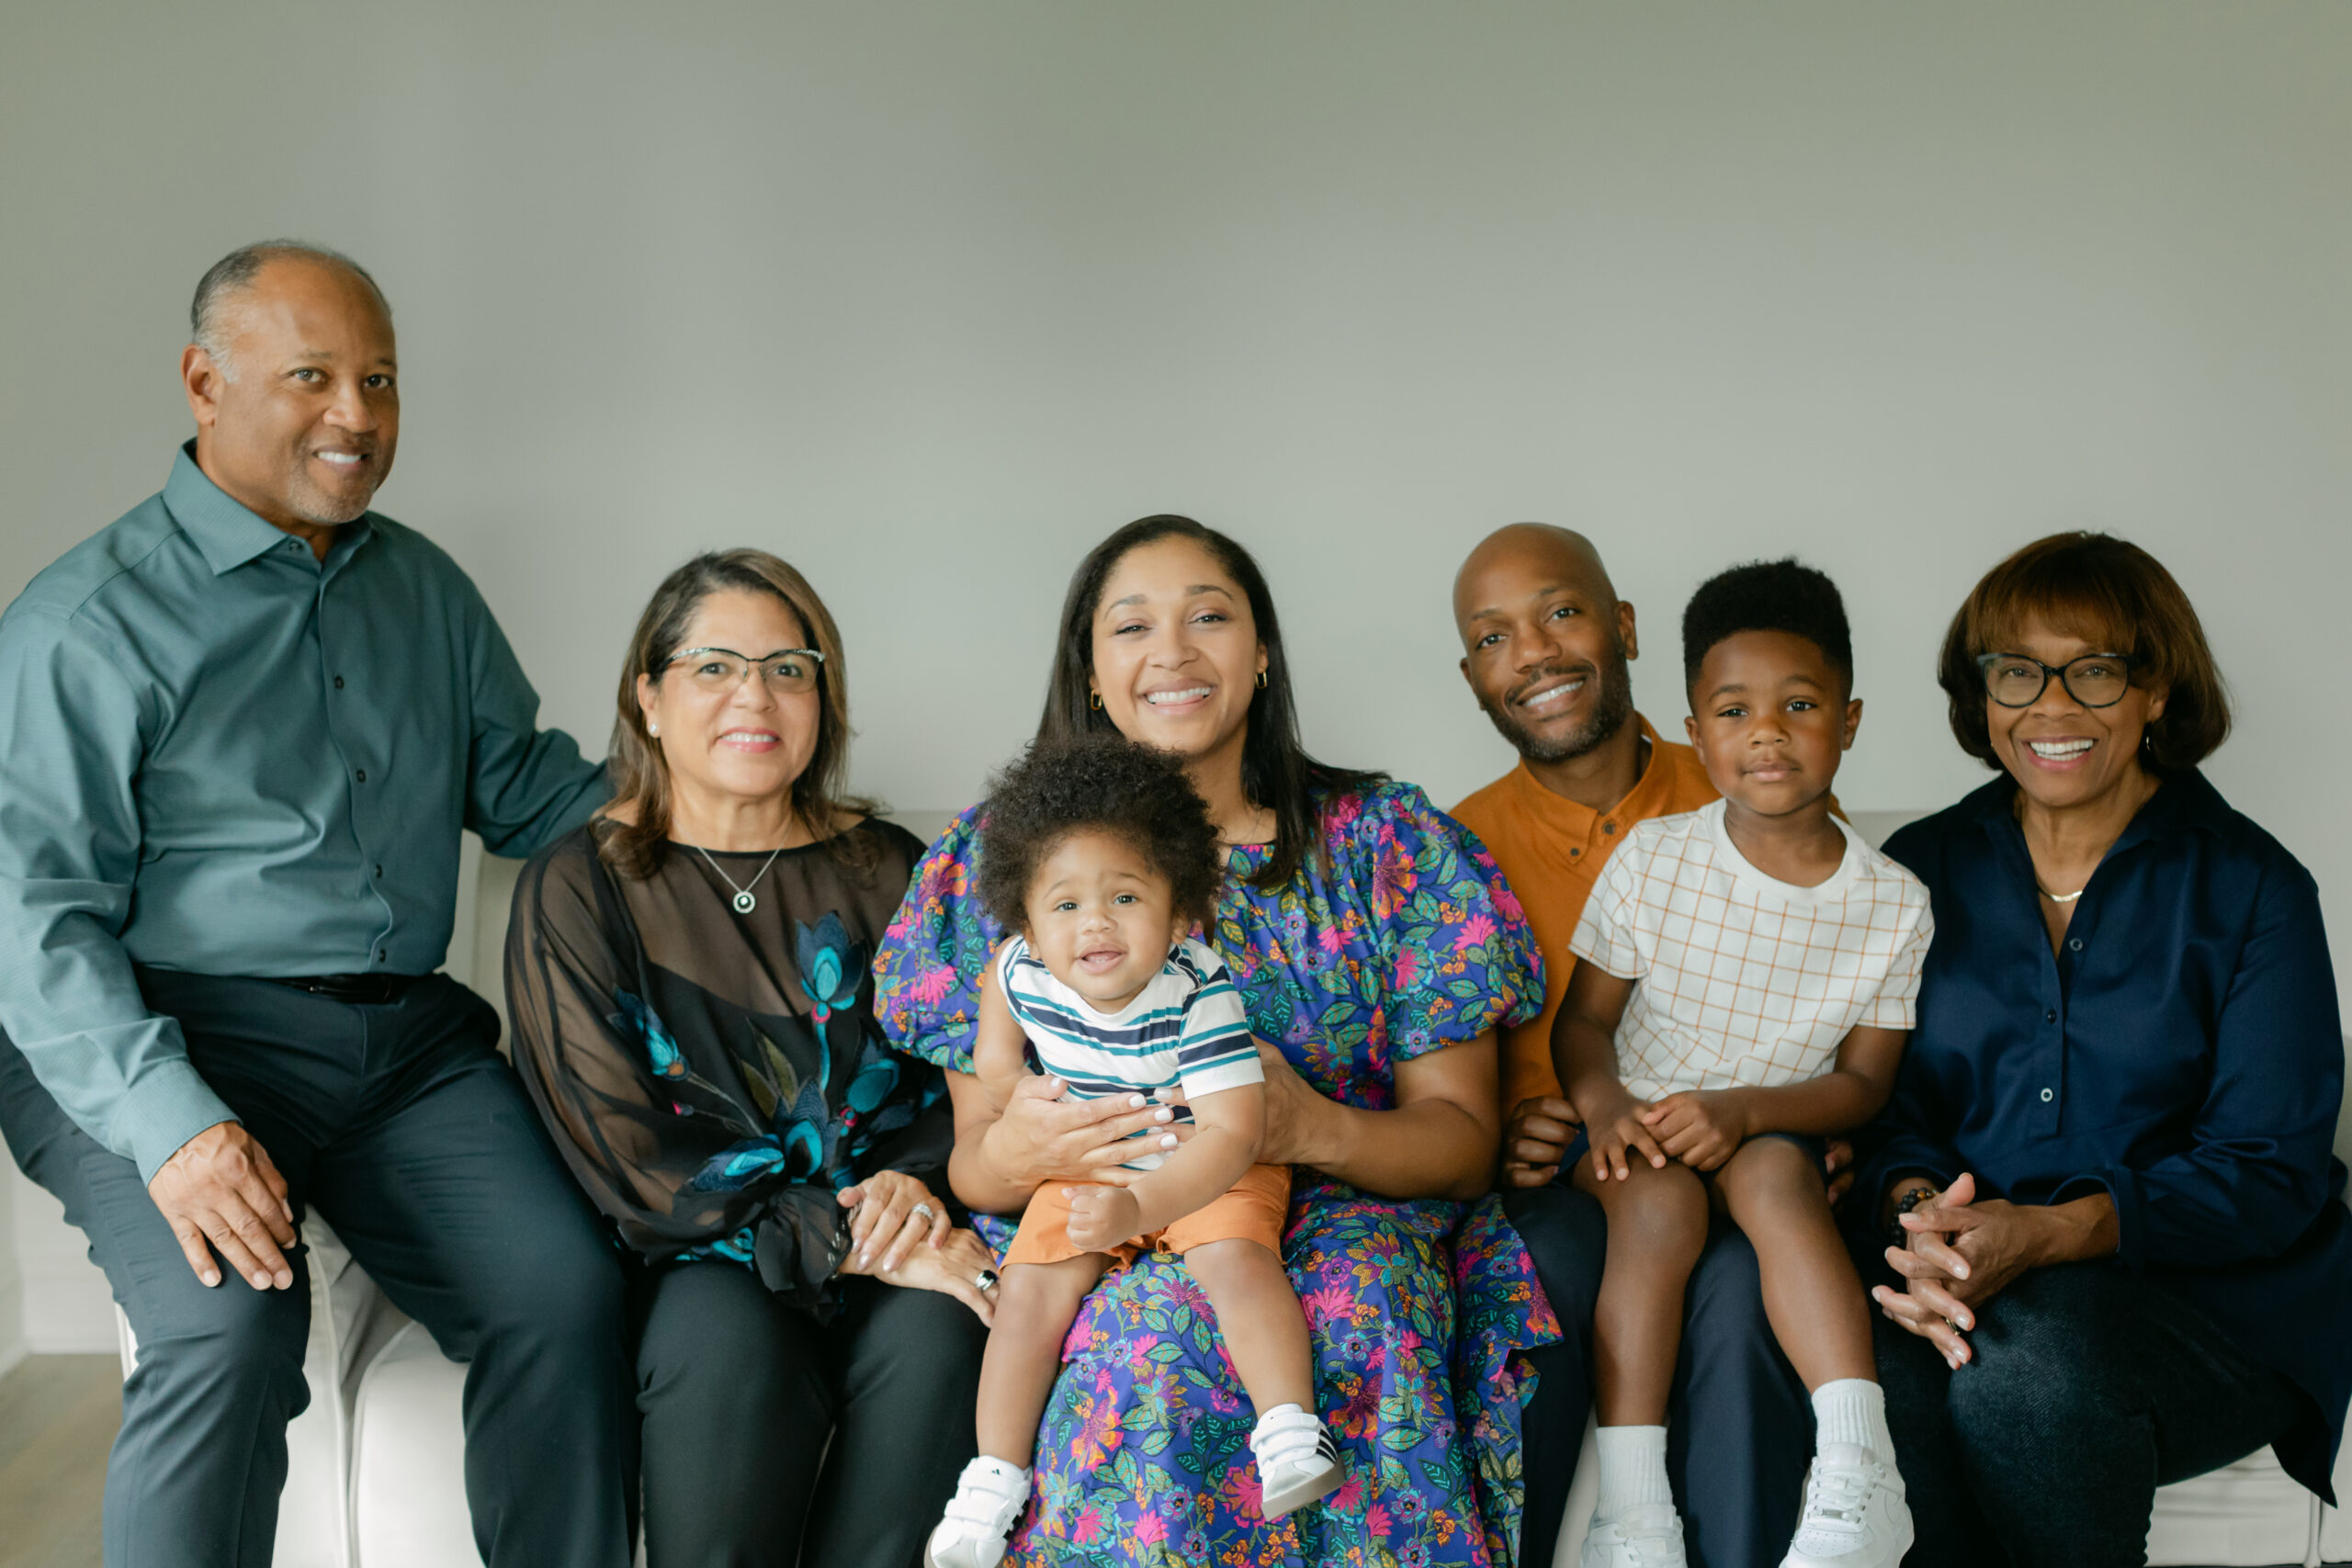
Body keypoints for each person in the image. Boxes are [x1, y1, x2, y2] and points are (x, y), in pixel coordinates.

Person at [0, 242, 629, 1567]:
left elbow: (523, 789)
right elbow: (31, 920)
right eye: (313, 375)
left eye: (381, 379)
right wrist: (175, 1129)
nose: (358, 413)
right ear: (203, 382)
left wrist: (742, 802)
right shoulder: (84, 625)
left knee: (568, 1293)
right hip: (162, 1033)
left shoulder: (425, 588)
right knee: (226, 1332)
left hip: (405, 1051)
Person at [875, 514, 1554, 1566]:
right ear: (1091, 673)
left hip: (1336, 1213)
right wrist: (1025, 1152)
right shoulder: (998, 863)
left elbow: (1462, 1145)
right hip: (1098, 1216)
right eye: (1132, 625)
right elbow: (981, 1162)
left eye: (1209, 617)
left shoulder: (1387, 845)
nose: (1173, 652)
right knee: (1142, 1342)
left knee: (1354, 1311)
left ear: (1263, 651)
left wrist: (1309, 1127)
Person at [1858, 531, 2351, 1568]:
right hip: (1968, 1277)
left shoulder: (2254, 888)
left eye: (2092, 671)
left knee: (2030, 1368)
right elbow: (1881, 1110)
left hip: (2209, 1312)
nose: (2051, 708)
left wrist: (2046, 1233)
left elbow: (2268, 1174)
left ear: (2156, 689)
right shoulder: (1914, 871)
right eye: (2016, 672)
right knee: (1875, 1379)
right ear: (1980, 691)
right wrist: (1919, 1215)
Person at [505, 549, 994, 1568]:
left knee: (945, 1340)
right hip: (707, 1256)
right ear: (647, 694)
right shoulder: (577, 887)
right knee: (725, 1359)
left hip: (889, 1237)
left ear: (823, 696)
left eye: (788, 667)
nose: (754, 696)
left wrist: (907, 1191)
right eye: (714, 666)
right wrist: (828, 1233)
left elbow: (964, 1082)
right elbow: (622, 1149)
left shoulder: (895, 866)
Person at [1449, 523, 1820, 1567]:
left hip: (1731, 1164)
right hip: (1555, 1188)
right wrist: (1497, 1140)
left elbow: (1836, 1013)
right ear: (1473, 674)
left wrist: (1824, 1132)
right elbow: (1427, 1081)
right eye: (1492, 637)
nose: (1532, 653)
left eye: (1561, 612)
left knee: (1746, 1294)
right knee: (1531, 1279)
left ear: (1620, 627)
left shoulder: (1748, 793)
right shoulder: (1452, 848)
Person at [1553, 561, 1928, 1568]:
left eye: (1798, 705)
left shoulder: (1893, 902)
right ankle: (1632, 1513)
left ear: (1847, 722)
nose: (1766, 732)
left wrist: (1748, 1108)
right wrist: (1602, 1111)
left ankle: (1858, 1473)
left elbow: (1863, 1085)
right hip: (1641, 1140)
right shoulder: (1655, 858)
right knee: (1662, 1204)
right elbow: (1581, 1027)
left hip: (1768, 1135)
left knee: (1772, 1170)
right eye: (1734, 709)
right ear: (1696, 731)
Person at [927, 735, 1340, 1566]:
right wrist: (1016, 1097)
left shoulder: (1201, 989)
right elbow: (994, 1043)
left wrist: (1144, 1207)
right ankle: (992, 1478)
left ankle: (1291, 1430)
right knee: (1028, 1295)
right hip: (1090, 1157)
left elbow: (1234, 1131)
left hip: (1202, 1156)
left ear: (1180, 907)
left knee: (1237, 1262)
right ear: (1028, 923)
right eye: (1066, 905)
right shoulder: (1019, 968)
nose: (1096, 924)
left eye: (1125, 895)